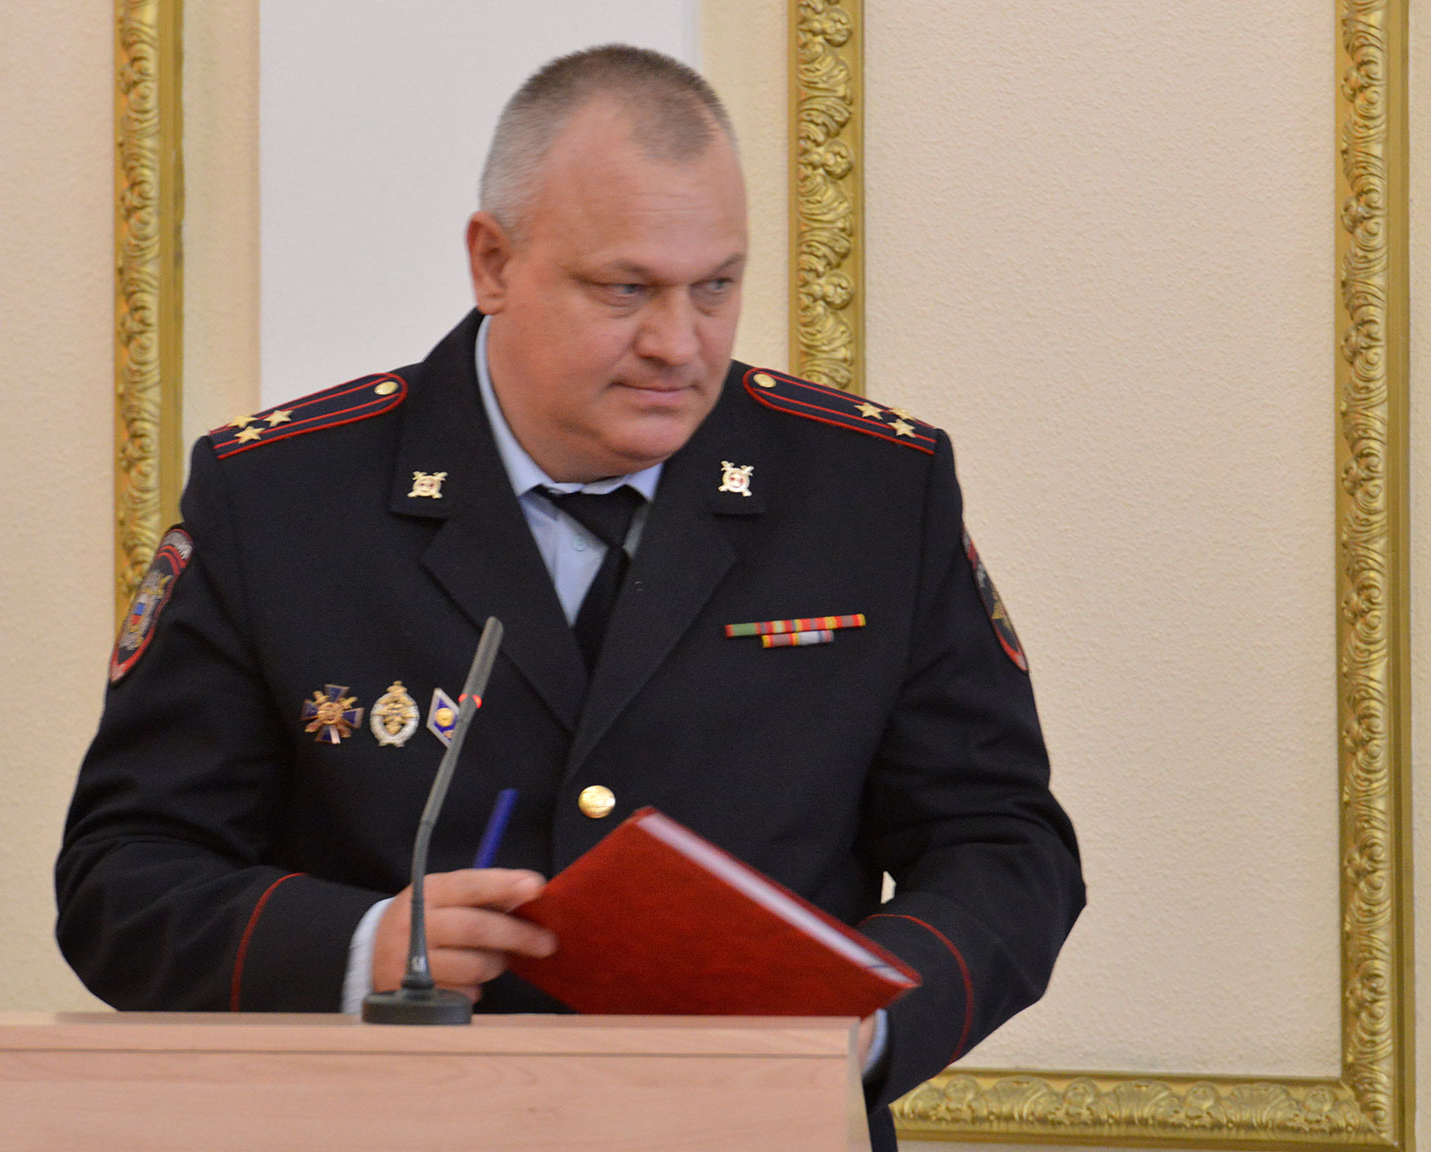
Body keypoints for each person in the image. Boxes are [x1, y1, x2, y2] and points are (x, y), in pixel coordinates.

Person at [56, 45, 1083, 1149]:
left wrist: (866, 1023)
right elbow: (125, 876)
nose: (678, 345)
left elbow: (1000, 842)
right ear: (492, 262)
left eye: (716, 286)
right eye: (624, 289)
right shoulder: (282, 500)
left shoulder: (872, 493)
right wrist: (355, 949)